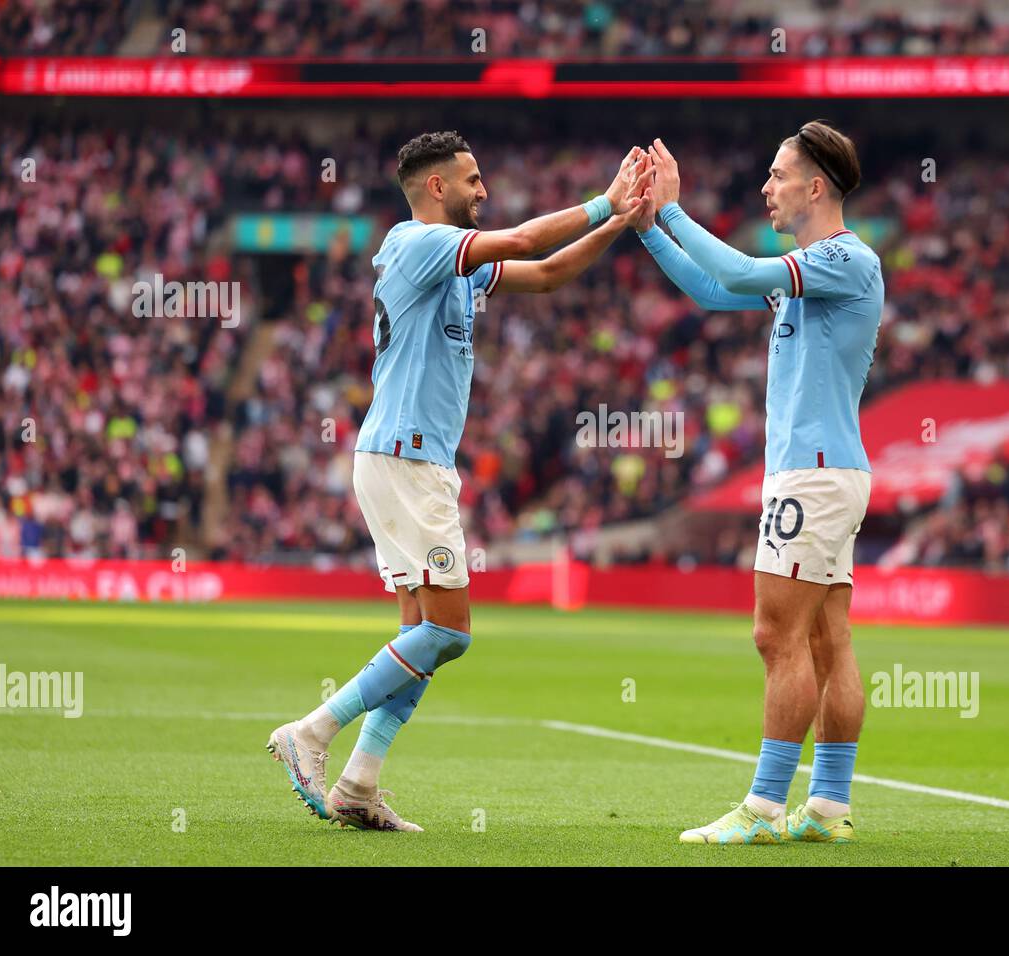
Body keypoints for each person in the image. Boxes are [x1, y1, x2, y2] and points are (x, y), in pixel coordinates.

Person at [267, 131, 651, 831]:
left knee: (422, 637)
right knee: (451, 633)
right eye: (472, 180)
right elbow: (529, 240)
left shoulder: (450, 262)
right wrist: (606, 201)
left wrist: (621, 223)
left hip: (406, 460)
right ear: (436, 187)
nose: (484, 190)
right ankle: (312, 732)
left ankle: (358, 784)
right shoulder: (421, 244)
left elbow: (547, 273)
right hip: (407, 459)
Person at [634, 122, 882, 844]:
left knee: (776, 636)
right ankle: (828, 808)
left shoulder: (845, 259)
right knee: (829, 640)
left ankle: (764, 808)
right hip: (827, 473)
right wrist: (650, 230)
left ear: (814, 186)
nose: (765, 188)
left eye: (776, 175)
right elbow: (717, 291)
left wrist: (675, 210)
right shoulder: (811, 269)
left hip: (813, 476)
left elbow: (740, 273)